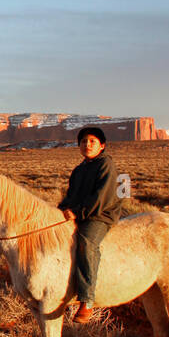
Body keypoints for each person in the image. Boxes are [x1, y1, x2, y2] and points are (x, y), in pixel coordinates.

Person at [57, 125, 121, 323]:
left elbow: (101, 199)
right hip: (82, 213)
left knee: (87, 243)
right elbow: (71, 196)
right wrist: (59, 211)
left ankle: (86, 299)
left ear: (102, 146)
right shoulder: (79, 170)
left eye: (92, 141)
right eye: (84, 141)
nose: (87, 144)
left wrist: (77, 212)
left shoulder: (106, 165)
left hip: (99, 216)